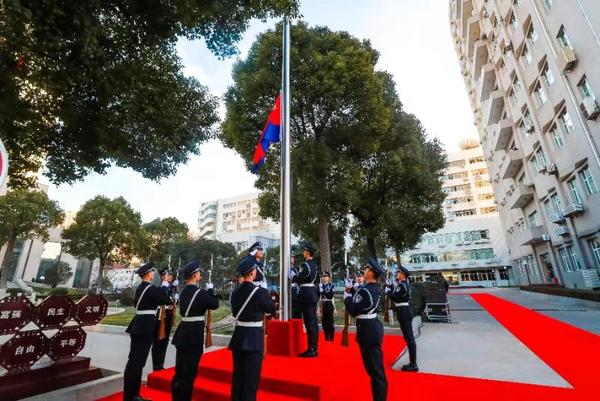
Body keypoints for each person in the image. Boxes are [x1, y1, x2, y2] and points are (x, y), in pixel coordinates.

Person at [229, 255, 276, 401]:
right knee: (251, 380)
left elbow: (236, 313)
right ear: (252, 273)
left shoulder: (235, 293)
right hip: (254, 337)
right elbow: (270, 310)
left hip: (239, 336)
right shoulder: (260, 292)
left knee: (238, 376)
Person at [171, 261, 219, 401]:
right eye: (198, 273)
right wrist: (211, 291)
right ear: (195, 275)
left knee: (179, 371)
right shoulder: (201, 293)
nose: (200, 275)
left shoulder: (183, 292)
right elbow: (214, 304)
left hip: (182, 333)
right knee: (189, 374)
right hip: (193, 335)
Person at [123, 262, 171, 401]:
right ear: (148, 274)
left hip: (139, 323)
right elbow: (165, 300)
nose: (154, 274)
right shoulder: (150, 288)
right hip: (145, 326)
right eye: (153, 273)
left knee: (133, 361)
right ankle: (133, 396)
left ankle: (130, 395)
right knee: (137, 363)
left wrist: (162, 288)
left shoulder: (140, 288)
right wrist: (164, 287)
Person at [344, 258, 388, 401]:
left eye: (367, 269)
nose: (365, 271)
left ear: (372, 273)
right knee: (375, 371)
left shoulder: (365, 291)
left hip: (368, 331)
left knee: (375, 372)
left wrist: (347, 297)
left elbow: (353, 310)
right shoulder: (374, 288)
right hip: (371, 327)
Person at [387, 265, 418, 372]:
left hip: (403, 311)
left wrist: (388, 290)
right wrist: (391, 287)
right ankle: (412, 362)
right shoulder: (404, 285)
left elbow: (395, 297)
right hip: (404, 310)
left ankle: (413, 364)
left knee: (409, 338)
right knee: (408, 338)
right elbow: (397, 295)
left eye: (399, 272)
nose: (397, 274)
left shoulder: (402, 285)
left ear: (403, 275)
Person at [292, 243, 320, 357]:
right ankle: (314, 348)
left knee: (310, 323)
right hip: (313, 292)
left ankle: (311, 349)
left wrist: (294, 276)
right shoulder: (315, 265)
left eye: (304, 251)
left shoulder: (305, 265)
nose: (303, 253)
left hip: (306, 294)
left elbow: (299, 278)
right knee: (313, 322)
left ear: (308, 252)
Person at [151, 268, 177, 371]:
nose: (170, 276)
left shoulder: (172, 289)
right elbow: (162, 300)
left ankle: (160, 364)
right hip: (159, 317)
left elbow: (173, 303)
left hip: (168, 317)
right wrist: (168, 290)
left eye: (171, 274)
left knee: (165, 342)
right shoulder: (158, 289)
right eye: (167, 274)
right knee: (158, 342)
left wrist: (174, 290)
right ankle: (156, 365)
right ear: (162, 277)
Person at [319, 271, 335, 341]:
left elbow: (330, 296)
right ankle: (326, 337)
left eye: (326, 276)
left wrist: (323, 291)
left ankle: (331, 337)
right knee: (324, 322)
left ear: (329, 278)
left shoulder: (331, 285)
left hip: (329, 304)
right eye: (323, 276)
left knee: (330, 321)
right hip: (322, 304)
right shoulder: (320, 286)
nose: (324, 278)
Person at [290, 254, 302, 319]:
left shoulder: (294, 268)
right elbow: (295, 278)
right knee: (293, 310)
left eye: (293, 257)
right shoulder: (288, 268)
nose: (293, 259)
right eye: (291, 257)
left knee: (298, 310)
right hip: (292, 290)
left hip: (297, 290)